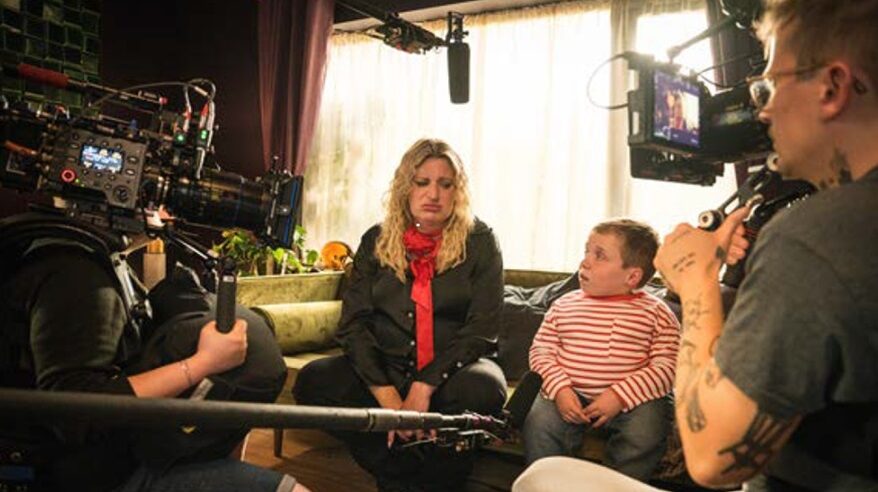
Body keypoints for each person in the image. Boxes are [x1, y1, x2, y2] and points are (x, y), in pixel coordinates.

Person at [513, 0, 878, 490]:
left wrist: (698, 283)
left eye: (768, 85)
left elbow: (713, 460)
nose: (763, 108)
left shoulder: (815, 236)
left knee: (543, 478)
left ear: (832, 87)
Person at [0, 206, 307, 492]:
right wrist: (203, 363)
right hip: (88, 472)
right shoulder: (77, 276)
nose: (164, 210)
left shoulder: (81, 254)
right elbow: (75, 411)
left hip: (112, 451)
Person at [292, 138, 507, 492]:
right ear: (405, 188)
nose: (433, 194)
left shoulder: (481, 241)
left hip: (451, 372)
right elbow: (353, 326)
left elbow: (483, 328)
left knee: (484, 388)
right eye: (422, 182)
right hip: (386, 368)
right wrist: (390, 401)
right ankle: (400, 473)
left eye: (445, 184)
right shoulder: (376, 240)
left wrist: (424, 385)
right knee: (315, 381)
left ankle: (431, 479)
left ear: (458, 191)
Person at [523, 219, 679, 483]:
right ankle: (550, 486)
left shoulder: (656, 312)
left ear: (632, 276)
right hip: (569, 391)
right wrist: (560, 388)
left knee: (648, 428)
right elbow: (541, 351)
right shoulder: (564, 305)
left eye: (600, 256)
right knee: (539, 423)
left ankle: (619, 486)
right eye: (586, 251)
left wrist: (620, 396)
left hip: (633, 400)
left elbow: (669, 366)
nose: (585, 262)